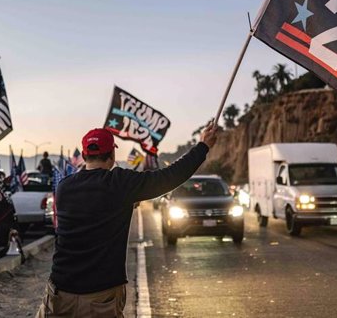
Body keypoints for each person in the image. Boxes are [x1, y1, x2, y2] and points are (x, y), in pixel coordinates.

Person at [36, 121, 217, 318]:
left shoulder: (64, 187)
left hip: (59, 293)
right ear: (112, 156)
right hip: (100, 297)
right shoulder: (120, 184)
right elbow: (169, 177)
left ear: (84, 155)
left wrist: (124, 204)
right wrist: (203, 146)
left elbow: (90, 209)